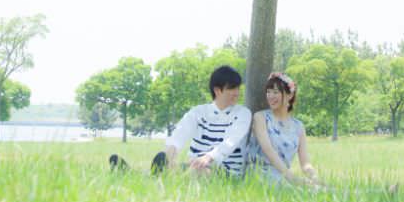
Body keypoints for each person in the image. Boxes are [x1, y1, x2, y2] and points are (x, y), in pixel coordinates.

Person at [109, 65, 252, 177]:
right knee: (178, 168)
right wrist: (169, 157)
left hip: (226, 170)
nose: (237, 92)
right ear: (217, 90)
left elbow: (231, 141)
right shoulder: (198, 112)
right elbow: (179, 135)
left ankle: (153, 176)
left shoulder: (243, 114)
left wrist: (208, 158)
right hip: (194, 165)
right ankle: (136, 173)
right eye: (232, 88)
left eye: (238, 88)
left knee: (196, 173)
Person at [246, 71, 318, 186]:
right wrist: (292, 178)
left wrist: (314, 177)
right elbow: (268, 151)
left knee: (321, 189)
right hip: (259, 175)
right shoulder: (261, 117)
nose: (270, 96)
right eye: (268, 92)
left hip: (283, 175)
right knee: (305, 191)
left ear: (290, 95)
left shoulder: (298, 126)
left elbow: (305, 163)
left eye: (275, 92)